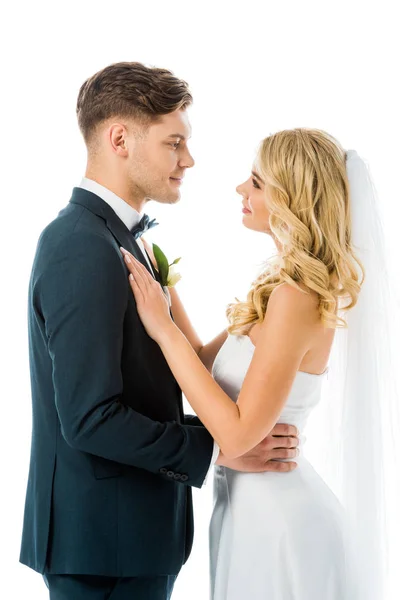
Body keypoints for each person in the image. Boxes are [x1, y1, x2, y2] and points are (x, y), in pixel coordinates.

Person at [19, 62, 299, 600]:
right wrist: (218, 448)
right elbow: (89, 419)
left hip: (130, 542)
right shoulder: (79, 244)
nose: (188, 160)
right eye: (174, 143)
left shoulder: (124, 240)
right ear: (119, 138)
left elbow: (165, 371)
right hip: (103, 550)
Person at [120, 128, 396, 599]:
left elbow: (237, 433)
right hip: (245, 513)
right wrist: (162, 285)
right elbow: (202, 367)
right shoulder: (278, 289)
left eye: (256, 182)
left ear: (291, 199)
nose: (240, 190)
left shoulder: (298, 297)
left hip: (282, 525)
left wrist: (162, 328)